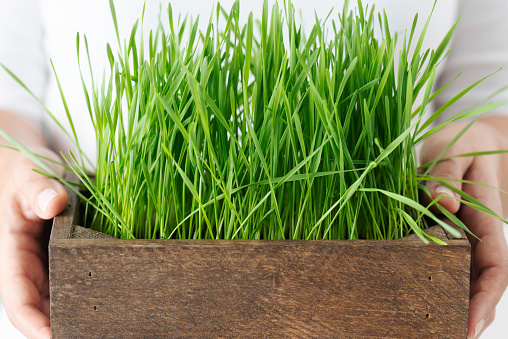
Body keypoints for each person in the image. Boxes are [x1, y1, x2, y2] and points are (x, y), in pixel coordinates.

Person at [0, 0, 507, 338]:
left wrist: (483, 140)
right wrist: (16, 165)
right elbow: (10, 91)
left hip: (389, 259)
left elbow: (492, 88)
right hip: (99, 248)